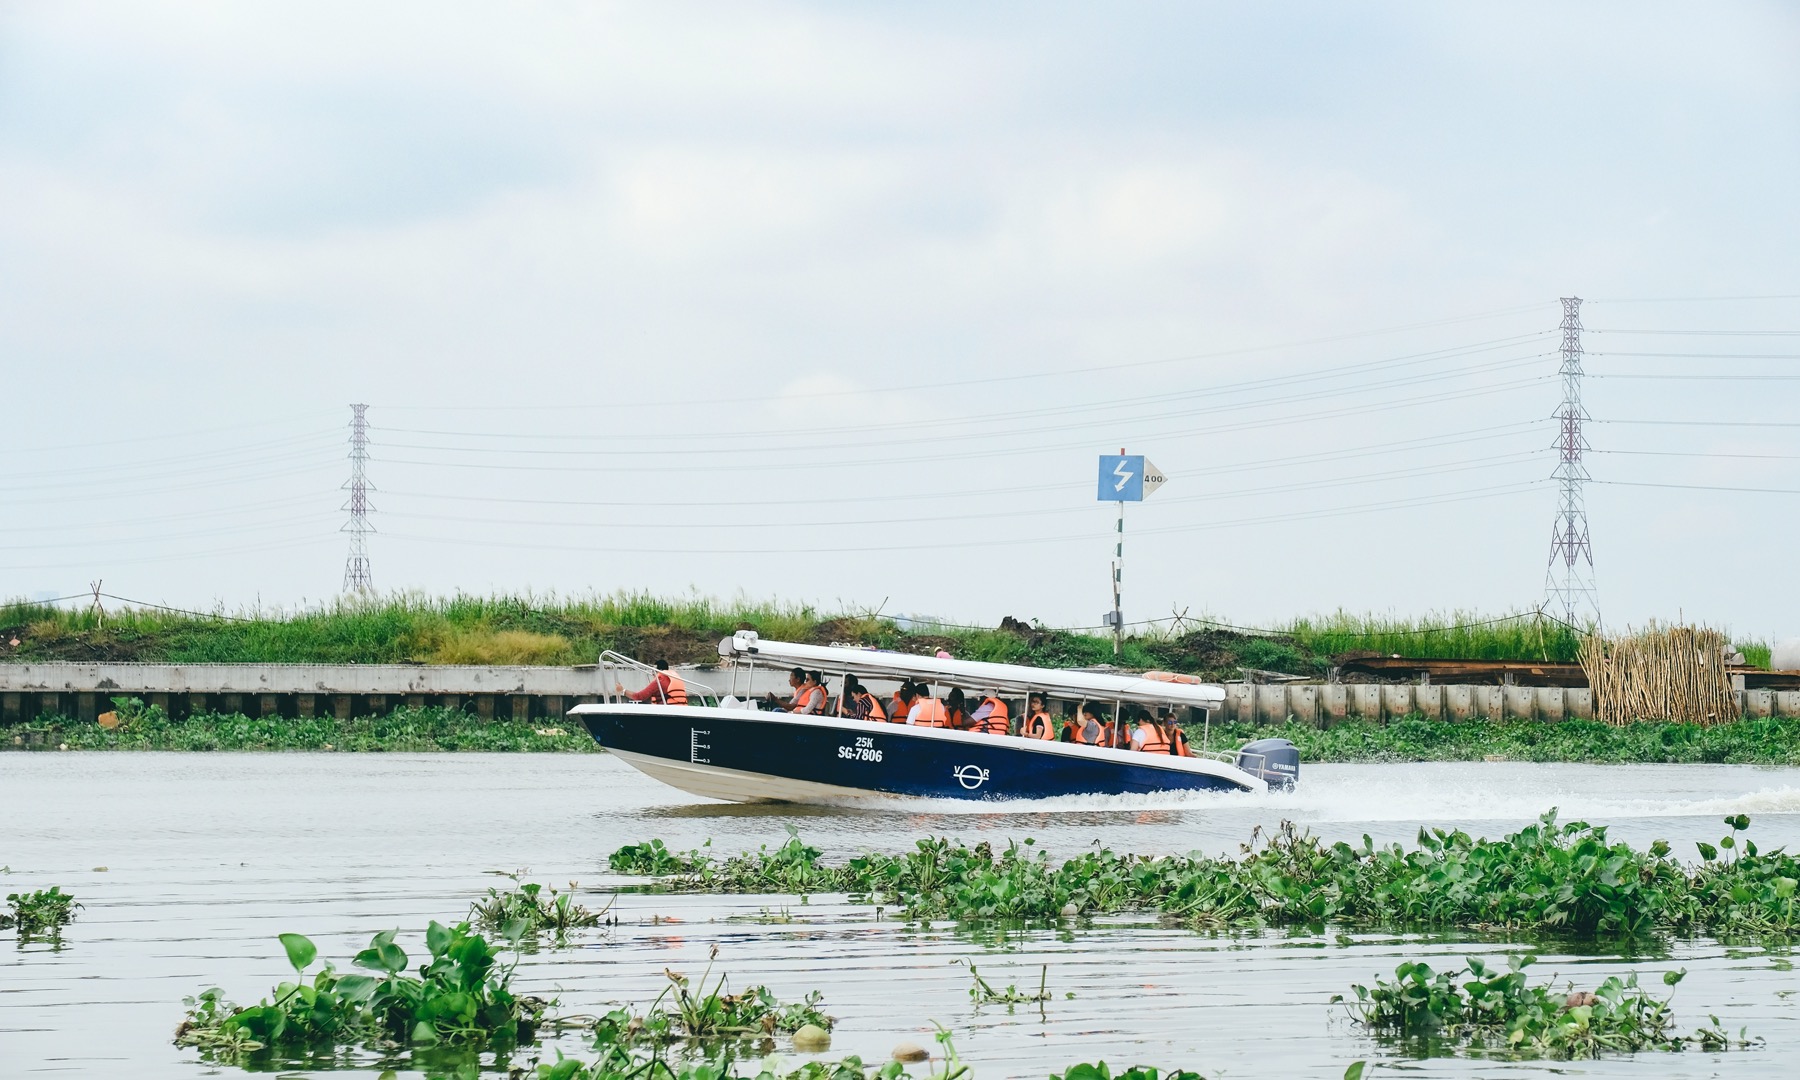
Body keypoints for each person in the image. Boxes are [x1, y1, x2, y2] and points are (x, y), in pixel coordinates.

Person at [619, 659, 688, 705]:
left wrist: (622, 691)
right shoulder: (671, 678)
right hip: (679, 709)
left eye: (653, 670)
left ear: (659, 670)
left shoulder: (660, 681)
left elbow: (639, 696)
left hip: (667, 712)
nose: (652, 673)